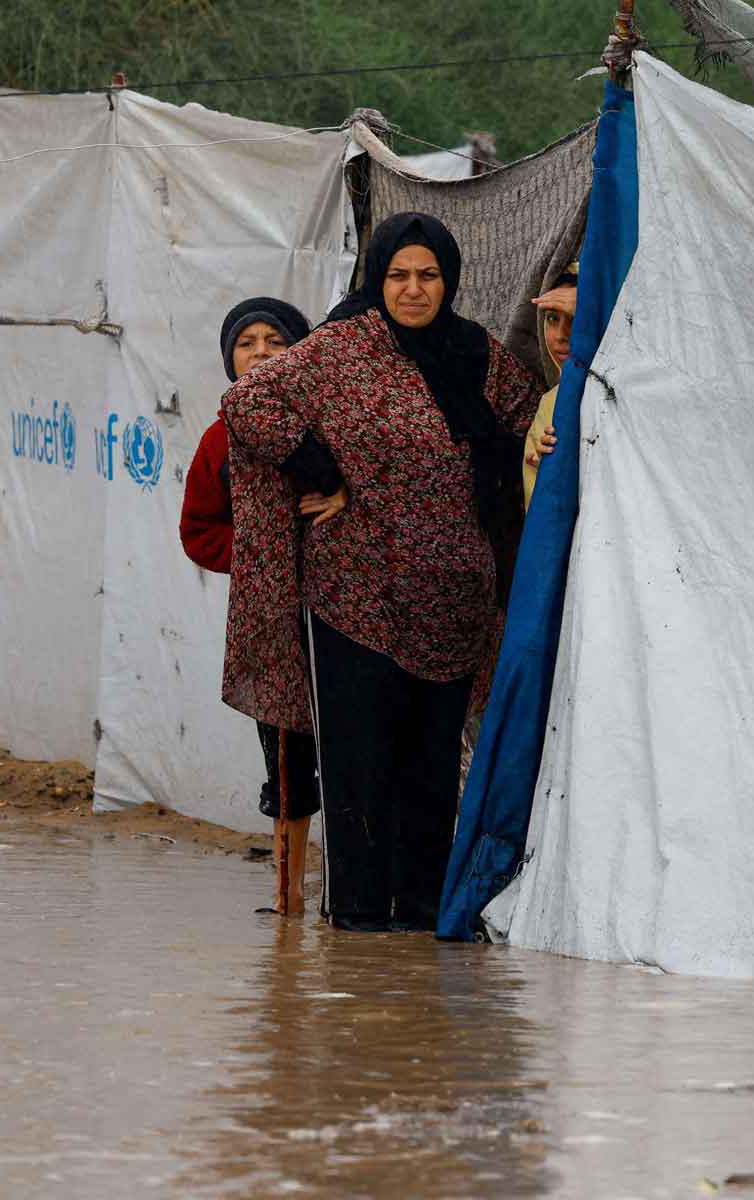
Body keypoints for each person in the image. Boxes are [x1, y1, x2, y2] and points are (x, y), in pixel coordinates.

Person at [222, 213, 539, 933]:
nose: (413, 289)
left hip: (453, 602)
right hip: (355, 601)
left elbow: (528, 420)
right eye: (398, 275)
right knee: (360, 771)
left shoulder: (478, 357)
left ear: (449, 280)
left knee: (431, 777)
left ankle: (424, 930)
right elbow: (249, 401)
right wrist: (320, 468)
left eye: (428, 275)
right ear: (379, 277)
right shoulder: (340, 349)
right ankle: (359, 935)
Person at [179, 296, 320, 915]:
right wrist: (262, 547)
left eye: (276, 341)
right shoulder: (219, 438)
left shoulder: (327, 427)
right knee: (287, 763)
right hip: (269, 626)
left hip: (339, 615)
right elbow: (199, 531)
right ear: (230, 358)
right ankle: (287, 899)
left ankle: (350, 892)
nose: (262, 352)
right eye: (248, 342)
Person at [521, 264, 576, 509]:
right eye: (552, 319)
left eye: (576, 319)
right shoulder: (550, 404)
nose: (562, 335)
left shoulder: (634, 396)